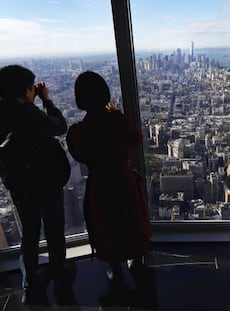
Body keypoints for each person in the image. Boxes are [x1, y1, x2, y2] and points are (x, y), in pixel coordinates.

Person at [66, 71, 152, 282]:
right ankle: (137, 259)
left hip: (100, 183)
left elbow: (78, 153)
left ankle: (115, 264)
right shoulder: (119, 121)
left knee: (107, 223)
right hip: (123, 179)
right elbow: (136, 140)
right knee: (130, 218)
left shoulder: (79, 131)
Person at [0, 65, 72, 304]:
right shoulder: (27, 113)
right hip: (46, 182)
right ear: (25, 92)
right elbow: (59, 127)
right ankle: (60, 276)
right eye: (31, 88)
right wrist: (46, 101)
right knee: (53, 232)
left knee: (29, 235)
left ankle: (29, 283)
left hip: (20, 186)